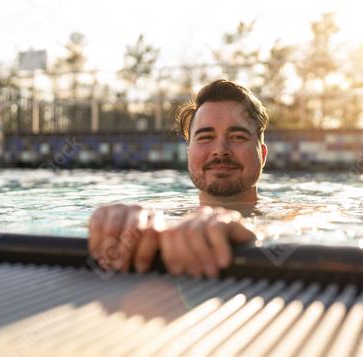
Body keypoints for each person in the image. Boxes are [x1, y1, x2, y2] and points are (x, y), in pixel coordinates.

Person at [88, 80, 268, 279]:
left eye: (238, 137)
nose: (220, 151)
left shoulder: (297, 216)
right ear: (189, 153)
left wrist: (252, 230)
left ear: (263, 155)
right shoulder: (157, 214)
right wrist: (115, 223)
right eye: (205, 137)